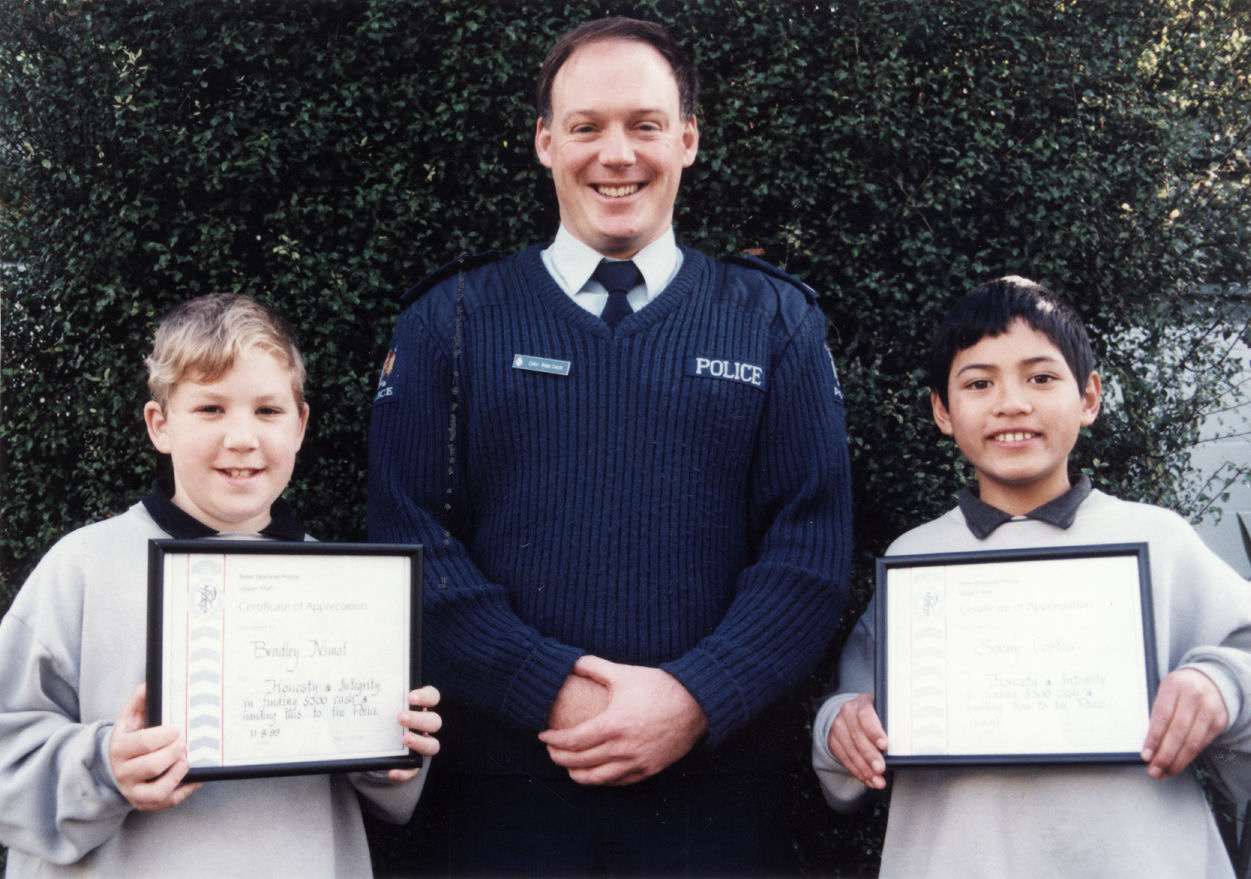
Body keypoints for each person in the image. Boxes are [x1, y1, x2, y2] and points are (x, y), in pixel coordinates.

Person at [366, 16, 851, 877]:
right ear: (546, 142)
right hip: (504, 799)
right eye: (586, 127)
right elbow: (410, 544)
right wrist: (551, 686)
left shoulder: (775, 319)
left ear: (688, 140)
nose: (615, 153)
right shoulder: (451, 318)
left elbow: (807, 552)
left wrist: (694, 697)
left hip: (720, 801)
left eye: (645, 125)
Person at [812, 276, 1251, 878]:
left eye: (1041, 377)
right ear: (942, 410)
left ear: (1089, 397)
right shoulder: (916, 558)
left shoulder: (1162, 540)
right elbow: (855, 716)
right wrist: (840, 729)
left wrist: (1221, 687)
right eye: (978, 383)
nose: (1011, 402)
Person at [0, 293, 442, 878]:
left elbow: (392, 795)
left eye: (267, 410)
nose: (242, 437)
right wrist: (106, 765)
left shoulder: (347, 590)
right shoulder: (83, 566)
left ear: (301, 424)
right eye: (210, 409)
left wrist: (394, 744)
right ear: (160, 425)